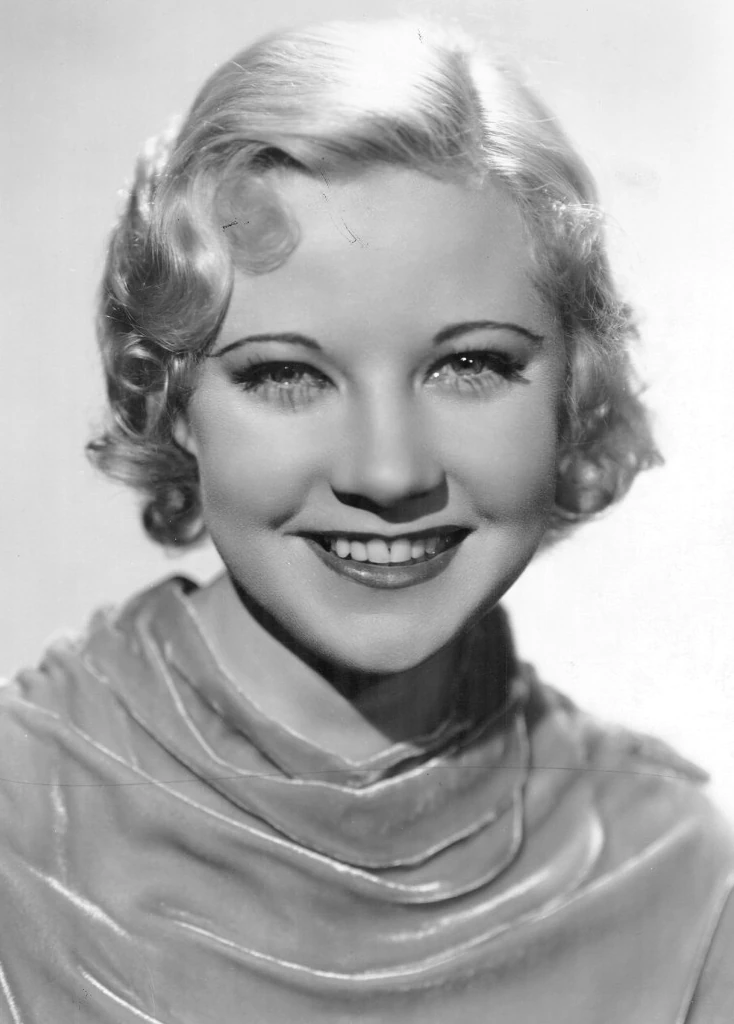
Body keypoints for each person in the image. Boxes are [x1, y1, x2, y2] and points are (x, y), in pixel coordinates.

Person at [0, 18, 731, 1023]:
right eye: (286, 375)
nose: (387, 473)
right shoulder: (20, 820)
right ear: (171, 401)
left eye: (469, 364)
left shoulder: (673, 873)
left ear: (573, 391)